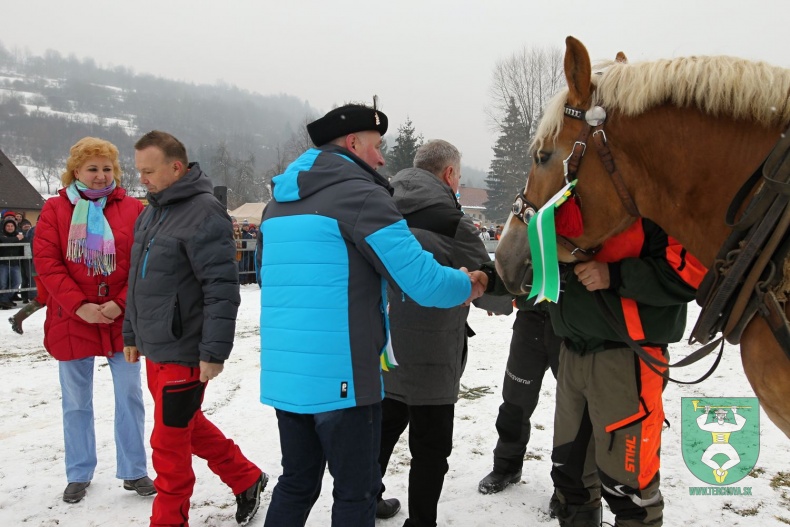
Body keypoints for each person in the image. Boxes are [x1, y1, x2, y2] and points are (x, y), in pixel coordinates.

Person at [258, 103, 486, 527]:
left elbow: (270, 279)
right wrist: (469, 283)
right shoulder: (361, 194)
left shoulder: (277, 204)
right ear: (352, 144)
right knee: (356, 492)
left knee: (296, 483)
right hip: (344, 376)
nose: (383, 159)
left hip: (286, 373)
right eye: (377, 146)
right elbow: (420, 280)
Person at [123, 130, 266, 527]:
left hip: (185, 350)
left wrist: (213, 352)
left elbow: (221, 288)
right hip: (156, 346)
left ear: (176, 167)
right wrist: (131, 334)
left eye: (149, 171)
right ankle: (246, 477)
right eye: (139, 171)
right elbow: (137, 281)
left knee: (167, 448)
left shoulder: (205, 212)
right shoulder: (152, 211)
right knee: (187, 426)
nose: (143, 179)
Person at [376, 139, 512, 526]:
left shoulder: (380, 204)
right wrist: (504, 299)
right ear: (450, 174)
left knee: (383, 431)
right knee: (431, 447)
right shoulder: (453, 221)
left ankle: (366, 498)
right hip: (432, 352)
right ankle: (421, 522)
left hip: (382, 343)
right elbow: (485, 287)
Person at [545, 219, 705, 527]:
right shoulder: (574, 198)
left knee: (630, 490)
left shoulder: (657, 200)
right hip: (572, 354)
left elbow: (691, 273)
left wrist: (614, 274)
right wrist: (491, 278)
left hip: (627, 360)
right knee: (570, 476)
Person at [33, 136, 154, 504]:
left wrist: (120, 303)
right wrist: (78, 306)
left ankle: (134, 470)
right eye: (93, 169)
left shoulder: (133, 208)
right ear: (76, 171)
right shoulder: (54, 209)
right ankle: (79, 472)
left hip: (121, 318)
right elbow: (47, 263)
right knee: (76, 401)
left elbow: (142, 260)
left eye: (107, 168)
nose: (101, 176)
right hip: (71, 318)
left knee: (130, 396)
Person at [477, 300, 562, 495]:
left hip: (572, 324)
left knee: (574, 410)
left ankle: (570, 486)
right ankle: (507, 466)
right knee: (515, 402)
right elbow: (511, 269)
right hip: (530, 318)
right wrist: (498, 295)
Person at [9, 219, 46, 333]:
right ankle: (18, 317)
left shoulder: (33, 230)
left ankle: (18, 318)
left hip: (40, 267)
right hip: (44, 268)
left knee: (45, 298)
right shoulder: (42, 229)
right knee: (44, 298)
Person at [0, 216, 23, 309]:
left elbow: (25, 241)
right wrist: (17, 239)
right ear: (4, 227)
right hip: (3, 264)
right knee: (3, 283)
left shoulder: (19, 234)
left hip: (15, 264)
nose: (10, 227)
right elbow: (5, 240)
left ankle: (5, 299)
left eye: (12, 226)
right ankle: (4, 300)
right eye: (8, 226)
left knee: (17, 282)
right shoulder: (1, 235)